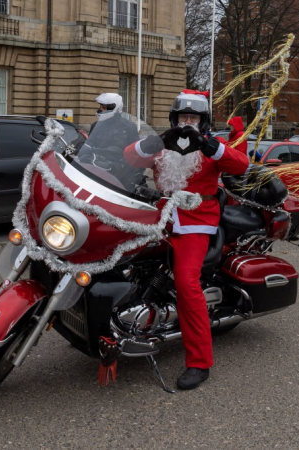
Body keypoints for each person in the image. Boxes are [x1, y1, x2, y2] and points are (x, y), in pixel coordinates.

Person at [124, 90, 249, 390]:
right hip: (158, 216)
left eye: (193, 117)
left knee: (186, 282)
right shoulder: (163, 147)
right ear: (174, 119)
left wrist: (210, 146)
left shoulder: (209, 148)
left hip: (195, 221)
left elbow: (241, 165)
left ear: (203, 122)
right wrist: (154, 142)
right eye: (183, 117)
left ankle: (199, 361)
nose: (187, 122)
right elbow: (128, 157)